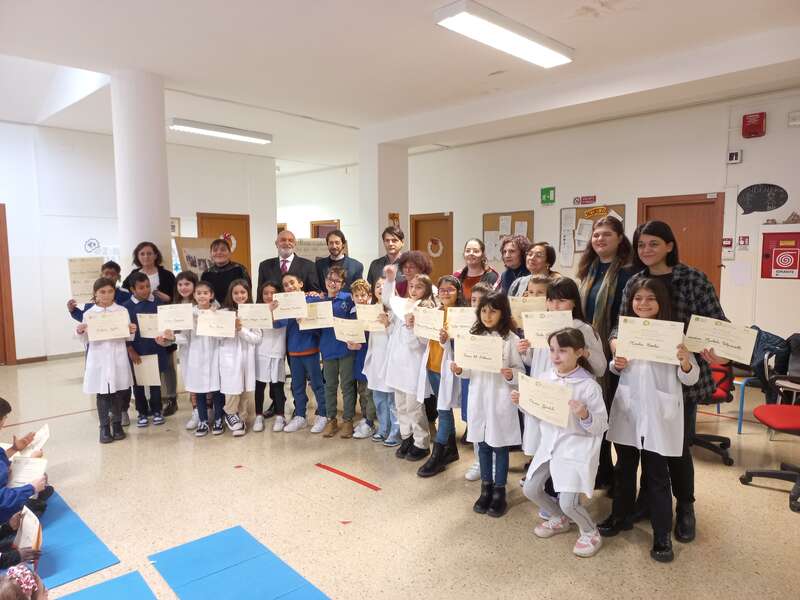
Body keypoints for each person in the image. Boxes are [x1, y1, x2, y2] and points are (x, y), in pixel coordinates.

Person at [610, 220, 727, 545]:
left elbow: (717, 323)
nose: (646, 250)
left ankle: (685, 506)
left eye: (654, 243)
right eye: (641, 244)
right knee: (645, 445)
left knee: (676, 448)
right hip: (641, 375)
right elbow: (621, 325)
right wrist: (616, 343)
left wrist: (714, 350)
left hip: (681, 376)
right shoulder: (634, 281)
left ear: (670, 245)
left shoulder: (693, 278)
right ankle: (646, 501)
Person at [600, 277, 699, 563]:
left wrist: (685, 362)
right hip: (629, 410)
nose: (643, 303)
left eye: (650, 298)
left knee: (657, 475)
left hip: (659, 414)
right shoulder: (627, 331)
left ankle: (661, 534)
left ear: (662, 302)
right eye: (638, 298)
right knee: (624, 468)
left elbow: (691, 377)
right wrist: (616, 364)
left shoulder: (675, 335)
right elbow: (618, 369)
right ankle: (620, 516)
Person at [518, 328, 607, 558]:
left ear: (579, 352)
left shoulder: (589, 386)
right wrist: (523, 402)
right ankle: (559, 518)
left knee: (569, 503)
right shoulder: (545, 378)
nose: (555, 356)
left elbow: (601, 425)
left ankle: (590, 531)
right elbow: (538, 413)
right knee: (530, 488)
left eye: (563, 351)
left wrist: (585, 414)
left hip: (576, 449)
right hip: (550, 445)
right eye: (552, 350)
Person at [451, 292, 523, 518]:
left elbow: (520, 371)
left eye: (493, 311)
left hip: (500, 399)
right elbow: (468, 369)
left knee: (499, 446)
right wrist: (460, 369)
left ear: (503, 313)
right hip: (479, 398)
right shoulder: (473, 337)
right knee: (482, 444)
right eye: (483, 310)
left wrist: (511, 374)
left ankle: (499, 490)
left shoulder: (511, 339)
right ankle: (486, 488)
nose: (487, 315)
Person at [576, 216, 635, 490]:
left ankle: (621, 480)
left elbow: (627, 316)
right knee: (593, 411)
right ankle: (602, 471)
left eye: (607, 234)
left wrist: (613, 343)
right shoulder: (587, 270)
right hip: (588, 352)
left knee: (614, 415)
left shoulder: (628, 272)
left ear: (620, 238)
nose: (600, 239)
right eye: (596, 234)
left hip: (616, 354)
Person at [381, 268, 436, 461]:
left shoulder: (426, 309)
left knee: (414, 407)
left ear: (427, 290)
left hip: (413, 366)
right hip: (397, 364)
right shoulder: (403, 305)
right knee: (401, 405)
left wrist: (412, 327)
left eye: (419, 287)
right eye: (411, 286)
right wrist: (390, 280)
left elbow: (422, 342)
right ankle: (407, 437)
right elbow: (387, 301)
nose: (413, 290)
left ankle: (421, 443)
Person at [76, 278, 137, 443]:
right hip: (98, 357)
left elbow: (127, 337)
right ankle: (104, 427)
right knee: (102, 393)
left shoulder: (122, 311)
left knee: (117, 392)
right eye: (102, 292)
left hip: (117, 356)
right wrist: (80, 331)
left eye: (110, 291)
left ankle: (117, 425)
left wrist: (131, 330)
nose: (106, 295)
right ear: (95, 293)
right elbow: (85, 340)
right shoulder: (89, 314)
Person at [417, 275, 465, 478]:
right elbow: (424, 341)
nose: (445, 293)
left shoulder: (462, 315)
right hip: (432, 367)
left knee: (444, 411)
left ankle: (437, 456)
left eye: (450, 289)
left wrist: (448, 339)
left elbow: (464, 345)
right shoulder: (435, 312)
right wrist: (417, 326)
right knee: (442, 408)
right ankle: (451, 450)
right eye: (442, 290)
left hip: (448, 369)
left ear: (458, 292)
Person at [163, 281, 223, 437]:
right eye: (199, 293)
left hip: (214, 355)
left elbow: (223, 335)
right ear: (194, 295)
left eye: (205, 293)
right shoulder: (189, 314)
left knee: (217, 390)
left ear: (211, 295)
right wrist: (172, 337)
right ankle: (203, 421)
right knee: (199, 391)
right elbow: (184, 337)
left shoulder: (218, 312)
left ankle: (218, 419)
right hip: (196, 356)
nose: (202, 296)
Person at [278, 273, 328, 434]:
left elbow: (321, 322)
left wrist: (305, 319)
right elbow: (278, 324)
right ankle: (300, 416)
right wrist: (272, 311)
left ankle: (323, 414)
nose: (289, 286)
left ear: (300, 283)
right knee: (297, 385)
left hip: (311, 348)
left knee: (317, 384)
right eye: (285, 285)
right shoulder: (283, 304)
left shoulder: (312, 300)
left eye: (292, 282)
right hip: (293, 350)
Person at [219, 279, 262, 437]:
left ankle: (241, 418)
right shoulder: (223, 312)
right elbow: (217, 337)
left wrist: (241, 329)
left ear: (248, 293)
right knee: (232, 388)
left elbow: (257, 338)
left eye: (243, 292)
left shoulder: (253, 311)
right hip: (229, 356)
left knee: (244, 389)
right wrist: (230, 329)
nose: (240, 295)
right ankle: (230, 413)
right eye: (236, 293)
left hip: (246, 357)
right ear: (230, 294)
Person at [318, 266, 358, 438]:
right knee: (329, 386)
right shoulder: (319, 302)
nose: (333, 283)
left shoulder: (348, 299)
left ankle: (348, 420)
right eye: (330, 279)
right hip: (327, 350)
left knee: (347, 386)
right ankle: (331, 419)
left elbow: (355, 321)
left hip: (346, 350)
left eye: (337, 281)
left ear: (342, 284)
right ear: (325, 280)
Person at [123, 272, 166, 427]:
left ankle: (157, 410)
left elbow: (165, 324)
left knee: (155, 383)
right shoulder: (126, 308)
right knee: (138, 384)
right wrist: (130, 349)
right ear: (132, 289)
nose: (146, 290)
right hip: (137, 351)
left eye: (147, 286)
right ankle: (142, 412)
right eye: (141, 288)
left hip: (155, 349)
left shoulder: (157, 303)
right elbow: (123, 332)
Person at [361, 277, 401, 446]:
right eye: (378, 286)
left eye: (385, 286)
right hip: (376, 359)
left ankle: (395, 432)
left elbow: (399, 337)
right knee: (378, 398)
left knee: (392, 400)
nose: (380, 288)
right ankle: (383, 428)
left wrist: (387, 324)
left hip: (390, 360)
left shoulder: (397, 311)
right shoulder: (371, 310)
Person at [461, 282, 494, 481]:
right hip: (472, 380)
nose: (476, 305)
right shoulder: (466, 325)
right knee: (475, 421)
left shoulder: (498, 330)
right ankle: (479, 462)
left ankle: (494, 465)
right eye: (473, 300)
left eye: (481, 301)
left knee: (492, 426)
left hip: (493, 385)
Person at [253, 282, 288, 433]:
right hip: (260, 352)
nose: (269, 296)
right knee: (260, 386)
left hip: (277, 353)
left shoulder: (284, 310)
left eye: (272, 293)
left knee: (277, 385)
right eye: (265, 293)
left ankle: (280, 416)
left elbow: (277, 324)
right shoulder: (257, 310)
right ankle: (258, 416)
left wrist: (271, 311)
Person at [170, 271, 204, 430]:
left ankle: (208, 411)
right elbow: (180, 335)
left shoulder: (204, 301)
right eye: (180, 284)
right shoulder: (175, 306)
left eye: (187, 284)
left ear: (195, 285)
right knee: (191, 382)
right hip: (186, 351)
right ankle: (196, 412)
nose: (183, 287)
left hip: (204, 349)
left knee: (206, 381)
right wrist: (169, 337)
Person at [347, 279, 378, 439]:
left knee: (369, 391)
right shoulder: (352, 313)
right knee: (362, 390)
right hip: (358, 356)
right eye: (357, 295)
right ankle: (366, 418)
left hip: (370, 355)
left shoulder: (374, 312)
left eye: (363, 295)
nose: (360, 298)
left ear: (369, 296)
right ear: (352, 297)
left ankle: (370, 422)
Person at [257, 230, 321, 295]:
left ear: (295, 244)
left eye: (290, 240)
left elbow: (315, 292)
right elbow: (260, 294)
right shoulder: (264, 266)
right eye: (283, 240)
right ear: (276, 244)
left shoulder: (309, 266)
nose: (287, 243)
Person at [201, 238, 251, 303]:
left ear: (229, 253)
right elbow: (203, 294)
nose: (219, 252)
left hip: (236, 306)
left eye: (223, 250)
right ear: (211, 254)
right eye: (215, 250)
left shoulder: (239, 269)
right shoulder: (206, 274)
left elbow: (247, 291)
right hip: (213, 308)